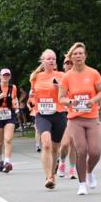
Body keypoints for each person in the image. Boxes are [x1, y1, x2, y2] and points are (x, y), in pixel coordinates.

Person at [59, 42, 101, 196]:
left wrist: (93, 101)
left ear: (85, 55)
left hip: (92, 117)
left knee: (95, 152)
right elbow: (61, 98)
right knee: (82, 150)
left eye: (81, 53)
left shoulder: (93, 73)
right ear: (71, 57)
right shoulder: (67, 77)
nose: (78, 56)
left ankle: (90, 172)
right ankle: (82, 184)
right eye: (75, 54)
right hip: (75, 118)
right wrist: (71, 102)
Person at [29, 50, 67, 189]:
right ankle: (48, 176)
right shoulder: (35, 77)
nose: (51, 61)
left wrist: (59, 89)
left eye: (53, 59)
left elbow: (67, 94)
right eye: (48, 58)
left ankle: (53, 173)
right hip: (42, 114)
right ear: (43, 61)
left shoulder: (62, 76)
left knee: (55, 148)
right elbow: (32, 96)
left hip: (58, 114)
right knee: (46, 144)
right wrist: (31, 97)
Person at [57, 54, 77, 179]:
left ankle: (72, 169)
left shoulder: (78, 77)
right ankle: (62, 162)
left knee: (73, 144)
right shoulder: (58, 76)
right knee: (64, 144)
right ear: (63, 65)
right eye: (67, 63)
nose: (69, 65)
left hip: (75, 113)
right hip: (61, 113)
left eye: (71, 63)